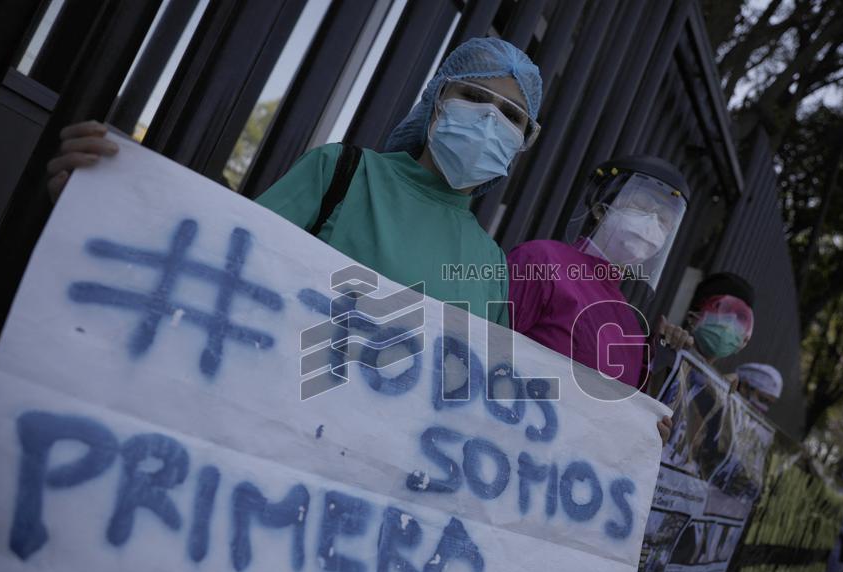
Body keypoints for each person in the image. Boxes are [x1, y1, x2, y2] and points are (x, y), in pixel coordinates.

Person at [45, 37, 544, 327]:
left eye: (510, 115)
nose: (489, 120)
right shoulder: (342, 174)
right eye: (474, 96)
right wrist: (102, 209)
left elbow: (482, 392)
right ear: (438, 99)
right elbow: (216, 266)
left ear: (524, 139)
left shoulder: (491, 264)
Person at [506, 156, 692, 438]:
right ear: (600, 208)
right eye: (641, 205)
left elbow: (620, 423)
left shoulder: (631, 327)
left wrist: (651, 433)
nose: (652, 223)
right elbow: (483, 349)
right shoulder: (540, 260)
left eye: (665, 220)